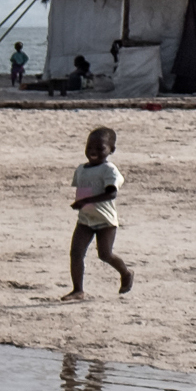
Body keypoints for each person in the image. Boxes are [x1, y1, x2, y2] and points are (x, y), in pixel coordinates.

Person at [66, 125, 132, 301]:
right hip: (85, 219)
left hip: (105, 221)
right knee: (76, 253)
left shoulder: (109, 170)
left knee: (105, 254)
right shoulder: (81, 169)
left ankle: (126, 272)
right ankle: (78, 290)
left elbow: (111, 193)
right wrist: (80, 203)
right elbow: (83, 190)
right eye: (89, 147)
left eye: (100, 148)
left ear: (111, 150)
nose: (93, 151)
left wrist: (86, 201)